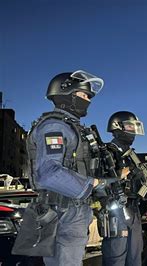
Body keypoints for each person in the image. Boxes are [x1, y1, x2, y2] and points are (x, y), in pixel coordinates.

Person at [26, 71, 104, 265]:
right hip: (64, 210)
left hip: (68, 208)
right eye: (84, 95)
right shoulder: (56, 127)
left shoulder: (69, 127)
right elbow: (48, 172)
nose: (88, 100)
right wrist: (91, 184)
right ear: (67, 93)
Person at [100, 111, 145, 266]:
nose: (132, 131)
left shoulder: (130, 156)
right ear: (117, 127)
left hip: (133, 209)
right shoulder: (107, 152)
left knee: (135, 256)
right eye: (129, 126)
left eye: (134, 127)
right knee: (116, 256)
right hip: (116, 210)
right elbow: (97, 183)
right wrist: (118, 176)